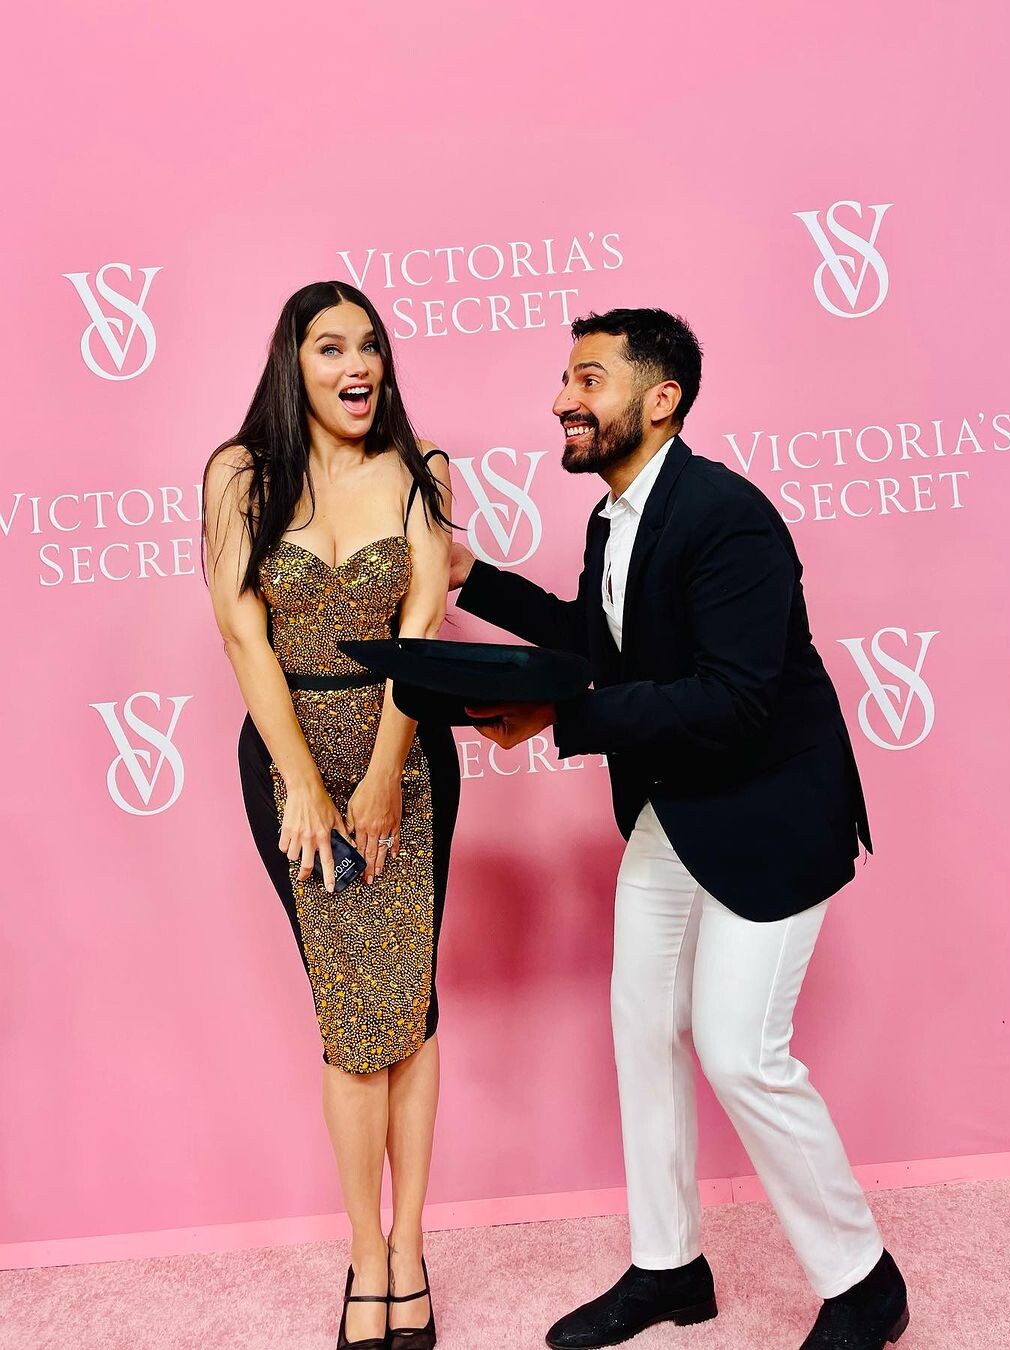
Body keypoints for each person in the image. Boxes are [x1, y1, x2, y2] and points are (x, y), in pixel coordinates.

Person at [451, 308, 910, 1350]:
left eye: (589, 380)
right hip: (675, 807)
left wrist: (561, 719)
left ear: (661, 400)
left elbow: (735, 698)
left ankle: (863, 1283)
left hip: (771, 813)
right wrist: (471, 577)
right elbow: (599, 642)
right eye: (565, 380)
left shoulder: (726, 516)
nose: (563, 401)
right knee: (644, 1030)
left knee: (743, 1055)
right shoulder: (614, 516)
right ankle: (669, 1267)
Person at [203, 281, 459, 1350]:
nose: (357, 366)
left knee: (410, 1001)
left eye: (370, 347)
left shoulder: (421, 468)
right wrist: (303, 781)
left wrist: (386, 769)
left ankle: (410, 1246)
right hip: (290, 754)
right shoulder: (240, 473)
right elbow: (241, 632)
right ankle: (365, 1251)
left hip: (405, 751)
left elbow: (424, 621)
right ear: (294, 364)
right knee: (353, 1018)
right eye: (330, 347)